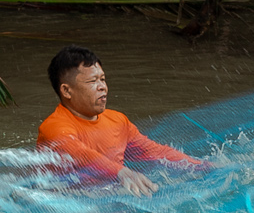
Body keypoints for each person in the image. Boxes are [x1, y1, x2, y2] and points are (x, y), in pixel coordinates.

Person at [36, 45, 205, 195]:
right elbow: (81, 156)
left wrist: (200, 166)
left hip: (112, 195)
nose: (102, 86)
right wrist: (122, 172)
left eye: (102, 79)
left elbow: (155, 153)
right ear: (66, 91)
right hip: (68, 206)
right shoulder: (53, 127)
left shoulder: (117, 120)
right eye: (92, 81)